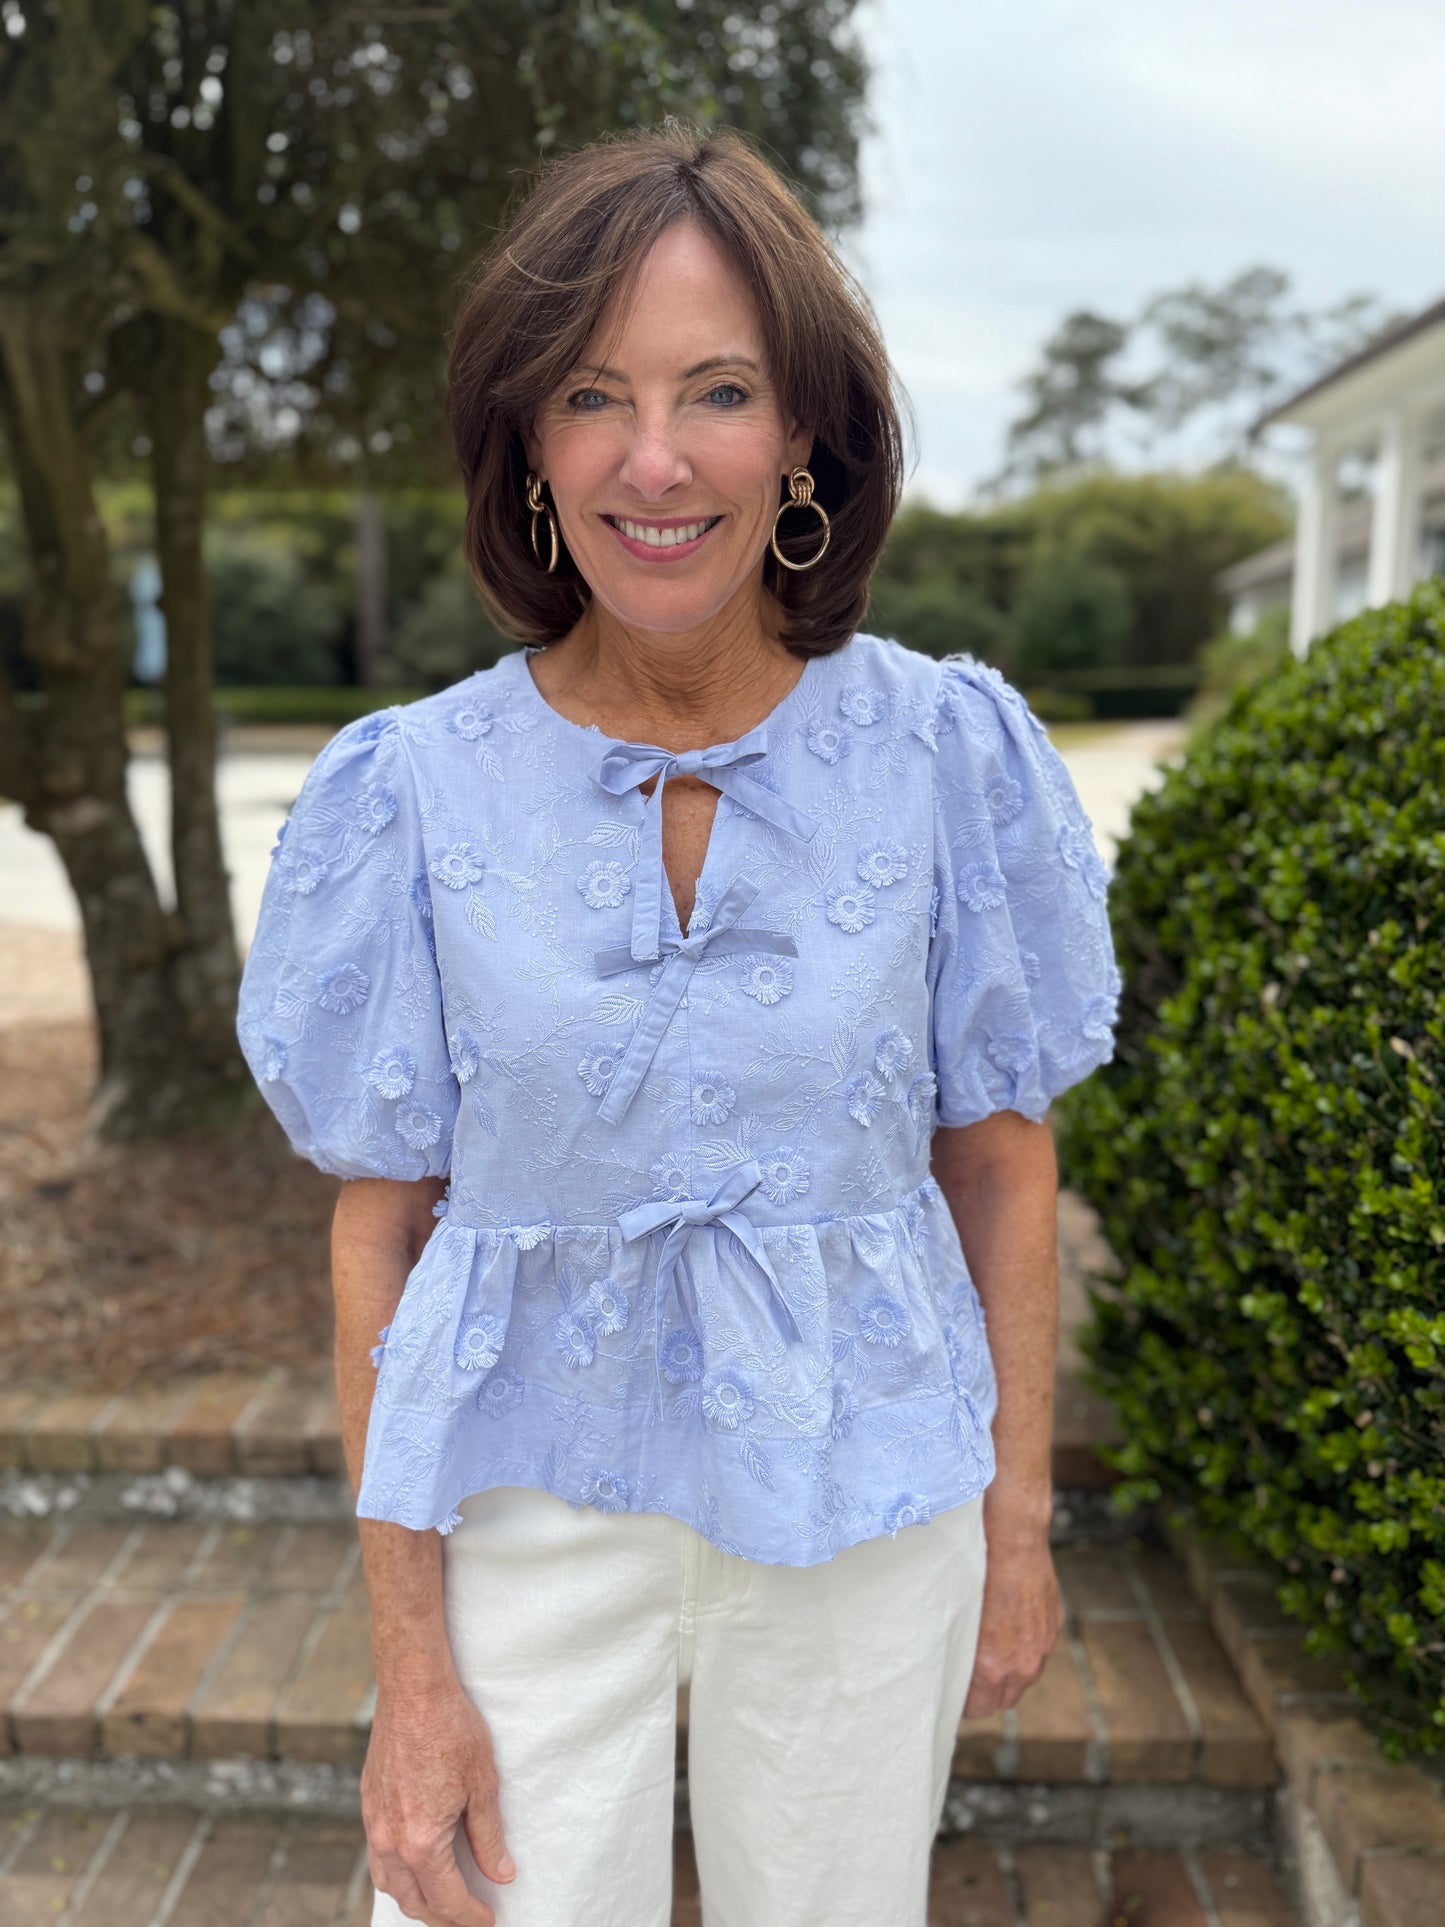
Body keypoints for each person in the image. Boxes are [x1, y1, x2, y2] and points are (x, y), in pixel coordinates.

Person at [237, 122, 1120, 1927]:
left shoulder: (944, 757)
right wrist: (410, 1673)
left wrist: (1014, 1522)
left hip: (870, 1501)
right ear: (526, 445)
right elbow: (378, 1227)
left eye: (717, 390)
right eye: (590, 395)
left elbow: (1001, 1164)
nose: (655, 460)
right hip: (520, 1509)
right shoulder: (409, 793)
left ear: (801, 433)